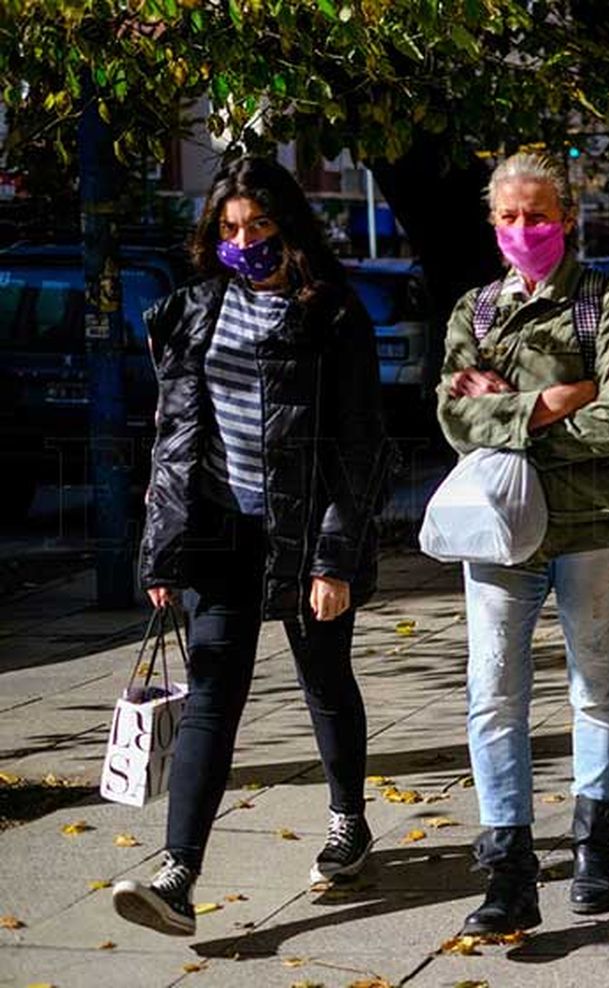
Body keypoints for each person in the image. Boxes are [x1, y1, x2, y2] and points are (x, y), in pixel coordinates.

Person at [113, 157, 388, 935]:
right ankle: (177, 874)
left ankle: (347, 821)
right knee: (210, 697)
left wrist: (335, 558)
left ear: (289, 227)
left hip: (306, 532)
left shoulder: (332, 315)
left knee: (325, 677)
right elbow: (175, 440)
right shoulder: (194, 311)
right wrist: (163, 552)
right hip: (220, 534)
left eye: (260, 226)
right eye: (231, 229)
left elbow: (359, 445)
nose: (245, 242)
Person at [437, 151, 609, 936]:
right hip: (500, 532)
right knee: (492, 692)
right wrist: (555, 403)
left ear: (565, 218)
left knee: (596, 687)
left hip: (598, 527)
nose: (523, 229)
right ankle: (509, 869)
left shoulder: (607, 305)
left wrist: (510, 416)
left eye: (537, 215)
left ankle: (595, 847)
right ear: (493, 223)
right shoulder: (478, 311)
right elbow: (451, 416)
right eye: (509, 217)